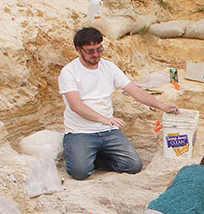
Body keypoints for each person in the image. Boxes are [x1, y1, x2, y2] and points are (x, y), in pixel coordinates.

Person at [59, 27, 179, 180]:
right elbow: (76, 105)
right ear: (78, 49)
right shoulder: (69, 72)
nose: (96, 55)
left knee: (133, 165)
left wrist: (162, 106)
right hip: (80, 131)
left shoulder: (109, 67)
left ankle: (95, 157)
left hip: (108, 131)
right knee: (79, 172)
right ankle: (82, 153)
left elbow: (134, 90)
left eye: (99, 49)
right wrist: (103, 119)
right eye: (90, 51)